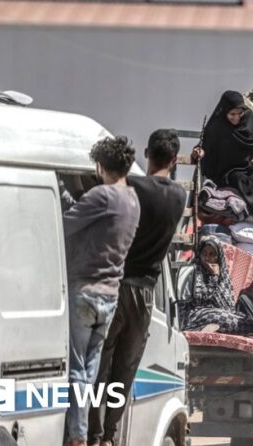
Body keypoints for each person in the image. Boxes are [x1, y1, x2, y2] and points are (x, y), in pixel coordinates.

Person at [88, 130, 186, 446]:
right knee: (125, 372)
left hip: (115, 286)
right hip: (145, 295)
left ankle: (93, 433)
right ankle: (110, 437)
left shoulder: (133, 186)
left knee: (99, 365)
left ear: (147, 153)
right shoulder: (179, 196)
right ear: (173, 160)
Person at [62, 136, 141, 446]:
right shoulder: (133, 200)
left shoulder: (103, 195)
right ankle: (82, 432)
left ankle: (78, 436)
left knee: (77, 368)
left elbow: (67, 224)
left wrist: (62, 193)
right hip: (110, 295)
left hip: (85, 292)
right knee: (92, 370)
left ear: (100, 165)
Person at [201, 91, 253, 235]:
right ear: (224, 112)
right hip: (227, 172)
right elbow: (206, 151)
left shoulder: (250, 120)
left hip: (249, 167)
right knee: (244, 181)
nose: (236, 118)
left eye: (239, 113)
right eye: (232, 114)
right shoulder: (216, 128)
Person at [179, 238, 251, 333]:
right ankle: (201, 328)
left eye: (212, 254)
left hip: (214, 312)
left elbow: (228, 306)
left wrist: (217, 276)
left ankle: (211, 327)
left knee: (244, 322)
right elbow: (198, 301)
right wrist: (214, 278)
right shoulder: (194, 271)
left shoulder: (223, 274)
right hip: (192, 314)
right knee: (227, 320)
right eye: (204, 253)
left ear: (218, 257)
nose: (207, 258)